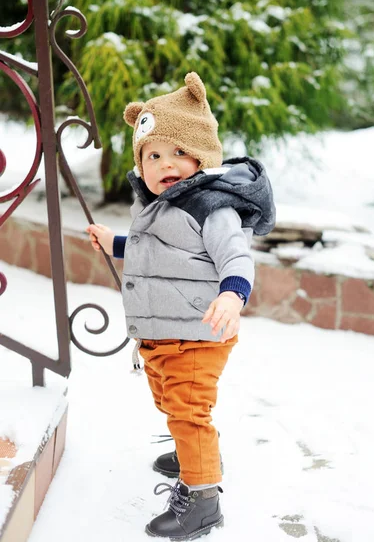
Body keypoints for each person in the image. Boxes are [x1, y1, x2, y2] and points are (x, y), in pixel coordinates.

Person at [87, 72, 275, 539]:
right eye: (153, 154)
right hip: (165, 333)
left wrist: (233, 292)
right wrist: (116, 243)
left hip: (197, 332)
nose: (164, 163)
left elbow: (235, 254)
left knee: (188, 409)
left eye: (177, 152)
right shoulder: (159, 206)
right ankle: (191, 449)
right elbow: (160, 254)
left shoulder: (211, 205)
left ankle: (202, 501)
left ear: (202, 155)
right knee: (171, 402)